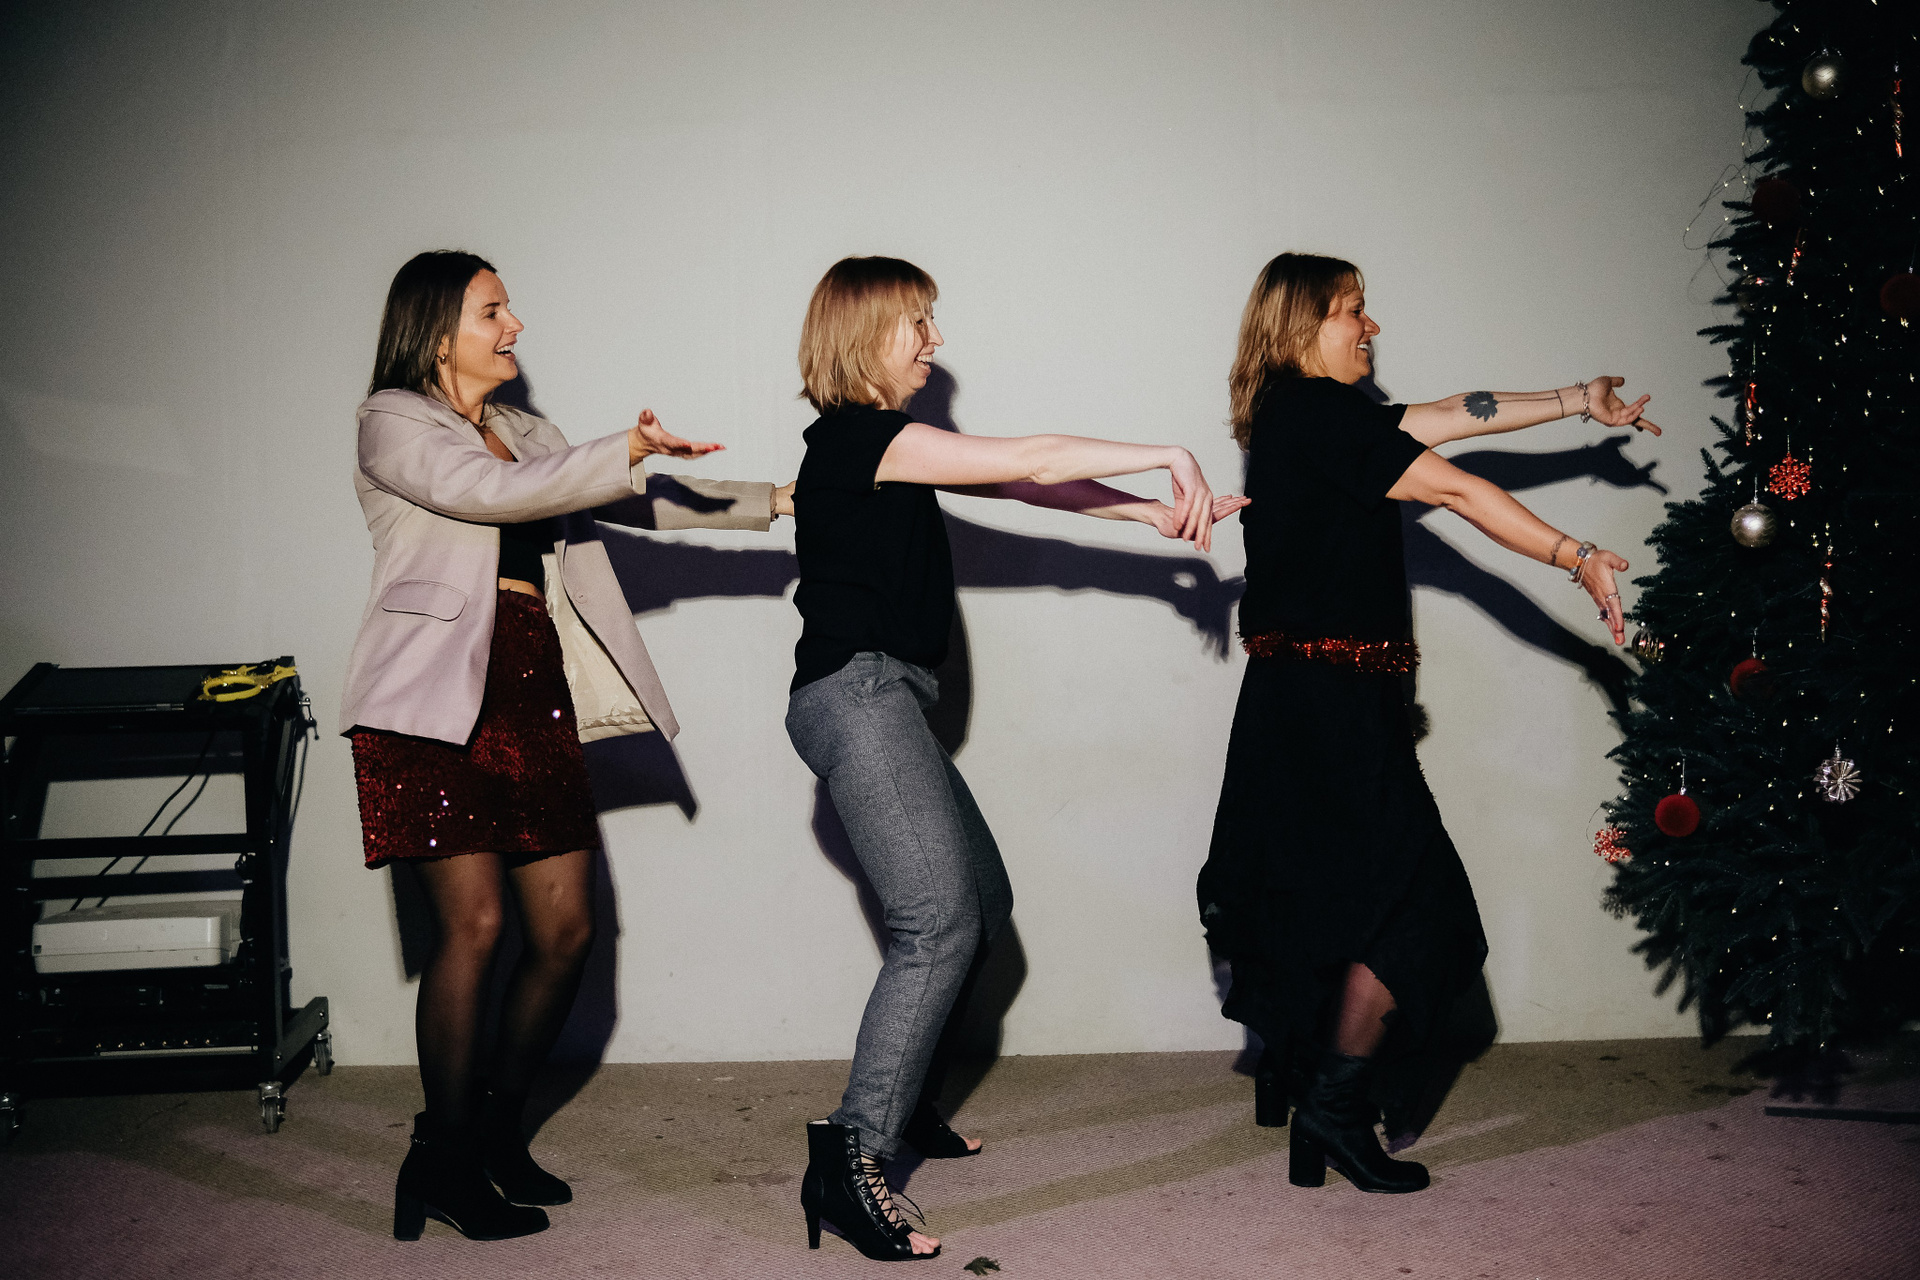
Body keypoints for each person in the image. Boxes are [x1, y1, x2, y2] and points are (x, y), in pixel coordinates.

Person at [785, 255, 1247, 1261]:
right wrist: (1166, 453)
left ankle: (903, 1100)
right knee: (937, 920)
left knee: (980, 906)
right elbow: (1032, 458)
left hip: (887, 700)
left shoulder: (892, 448)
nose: (935, 341)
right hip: (858, 697)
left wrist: (1146, 513)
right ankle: (852, 1156)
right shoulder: (859, 438)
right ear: (863, 335)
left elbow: (1030, 488)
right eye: (917, 322)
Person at [341, 250, 789, 1242]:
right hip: (426, 700)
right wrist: (614, 445)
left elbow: (629, 496)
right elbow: (485, 493)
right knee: (473, 928)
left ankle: (494, 1133)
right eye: (492, 310)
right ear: (436, 330)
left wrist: (775, 499)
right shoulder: (393, 420)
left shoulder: (529, 434)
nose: (515, 326)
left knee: (567, 932)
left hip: (529, 685)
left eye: (509, 308)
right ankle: (443, 1160)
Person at [1197, 251, 1658, 1195]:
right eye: (1353, 310)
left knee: (1335, 901)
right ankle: (1331, 1107)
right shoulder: (1317, 415)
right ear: (1301, 325)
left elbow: (1455, 412)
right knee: (1420, 908)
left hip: (1312, 704)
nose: (1371, 327)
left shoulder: (1305, 416)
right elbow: (1455, 487)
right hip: (1330, 712)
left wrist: (1580, 400)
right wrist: (1576, 555)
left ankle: (1314, 1094)